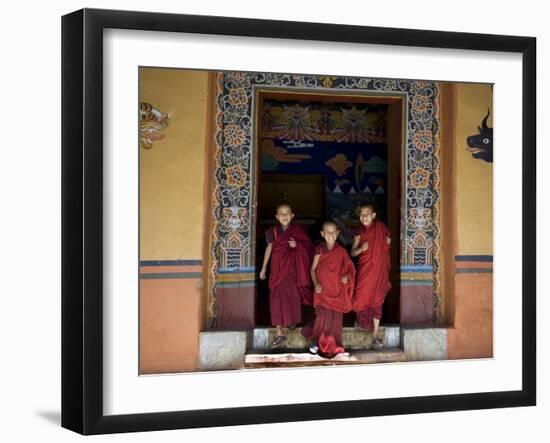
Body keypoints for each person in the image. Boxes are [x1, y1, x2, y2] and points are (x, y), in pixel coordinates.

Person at [259, 204, 314, 347]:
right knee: (276, 301)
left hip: (292, 272)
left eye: (287, 213)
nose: (284, 216)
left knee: (292, 297)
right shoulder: (273, 232)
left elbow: (308, 248)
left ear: (292, 215)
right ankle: (279, 333)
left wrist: (298, 246)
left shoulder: (298, 231)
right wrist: (263, 268)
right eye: (281, 214)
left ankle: (291, 321)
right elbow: (269, 248)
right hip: (276, 272)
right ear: (276, 217)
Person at [302, 220, 355, 358]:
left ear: (337, 234)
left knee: (335, 321)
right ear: (322, 234)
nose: (330, 234)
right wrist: (316, 284)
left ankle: (334, 346)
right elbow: (313, 270)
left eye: (333, 232)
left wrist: (346, 276)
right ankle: (316, 342)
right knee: (322, 318)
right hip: (322, 290)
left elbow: (351, 269)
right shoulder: (319, 250)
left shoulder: (342, 251)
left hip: (337, 291)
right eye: (327, 232)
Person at [351, 203, 391, 349]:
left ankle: (375, 335)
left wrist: (388, 242)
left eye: (367, 213)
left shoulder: (381, 228)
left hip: (379, 271)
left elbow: (386, 243)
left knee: (377, 299)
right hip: (365, 270)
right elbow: (352, 252)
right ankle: (361, 322)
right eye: (361, 214)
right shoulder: (359, 232)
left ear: (373, 215)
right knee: (360, 295)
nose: (364, 216)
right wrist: (361, 248)